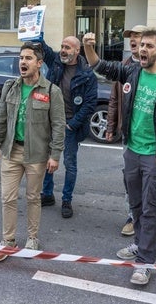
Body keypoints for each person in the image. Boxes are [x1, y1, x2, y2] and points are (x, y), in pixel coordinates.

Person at [83, 29, 156, 285]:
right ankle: (140, 244)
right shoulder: (131, 72)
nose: (142, 49)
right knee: (136, 206)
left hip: (154, 157)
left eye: (149, 46)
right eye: (141, 45)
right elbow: (99, 65)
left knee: (151, 210)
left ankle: (144, 263)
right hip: (132, 152)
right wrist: (87, 46)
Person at [0, 42, 65, 261]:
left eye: (28, 58)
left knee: (33, 197)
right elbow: (0, 116)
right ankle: (8, 241)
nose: (23, 62)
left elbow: (59, 126)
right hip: (11, 151)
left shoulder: (52, 91)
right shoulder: (10, 87)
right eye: (21, 58)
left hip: (37, 154)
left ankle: (32, 237)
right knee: (7, 198)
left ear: (39, 63)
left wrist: (55, 155)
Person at [107, 25, 156, 240]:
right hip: (130, 136)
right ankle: (132, 217)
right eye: (132, 38)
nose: (134, 41)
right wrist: (111, 126)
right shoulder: (127, 66)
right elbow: (115, 98)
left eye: (139, 37)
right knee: (131, 182)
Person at [36, 34, 97, 218]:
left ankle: (66, 199)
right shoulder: (56, 61)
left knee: (70, 164)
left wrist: (72, 124)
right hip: (51, 122)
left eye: (67, 47)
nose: (63, 50)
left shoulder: (87, 73)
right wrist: (36, 27)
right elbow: (41, 46)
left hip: (70, 125)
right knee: (48, 160)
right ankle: (47, 195)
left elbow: (90, 103)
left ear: (77, 51)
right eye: (62, 46)